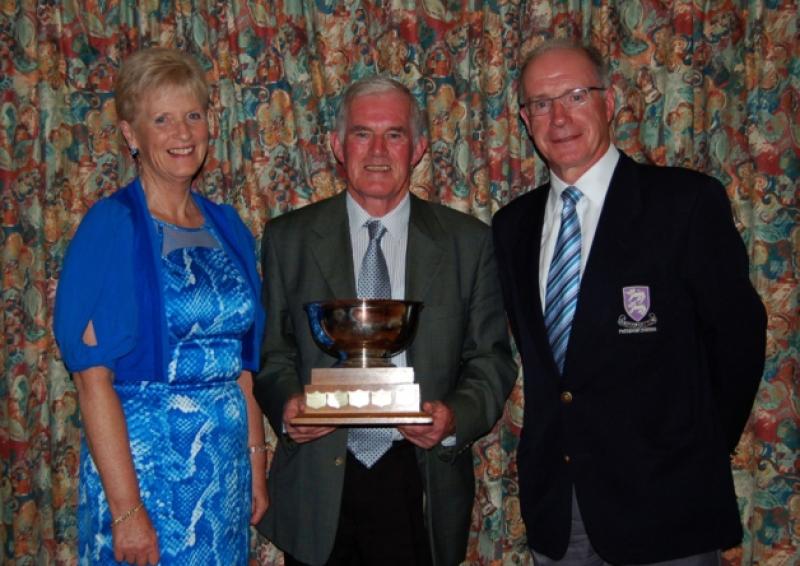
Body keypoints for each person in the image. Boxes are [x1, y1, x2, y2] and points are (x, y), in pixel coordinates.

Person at [492, 39, 767, 565]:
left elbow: (738, 346)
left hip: (667, 510)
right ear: (525, 119)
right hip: (559, 510)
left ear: (609, 100)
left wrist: (690, 455)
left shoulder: (684, 204)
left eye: (575, 95)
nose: (559, 118)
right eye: (541, 104)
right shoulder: (513, 227)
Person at [254, 76, 517, 566]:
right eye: (361, 133)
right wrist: (288, 407)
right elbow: (272, 354)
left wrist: (454, 417)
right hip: (319, 477)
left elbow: (491, 360)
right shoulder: (288, 239)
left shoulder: (467, 243)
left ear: (417, 148)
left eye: (394, 134)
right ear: (337, 144)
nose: (377, 151)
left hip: (419, 477)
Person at [53, 47, 267, 565]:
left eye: (193, 115)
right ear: (131, 134)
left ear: (210, 124)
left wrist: (256, 469)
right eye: (162, 119)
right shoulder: (110, 227)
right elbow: (92, 379)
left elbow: (243, 368)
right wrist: (127, 514)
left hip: (223, 478)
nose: (182, 133)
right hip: (146, 479)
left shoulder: (228, 227)